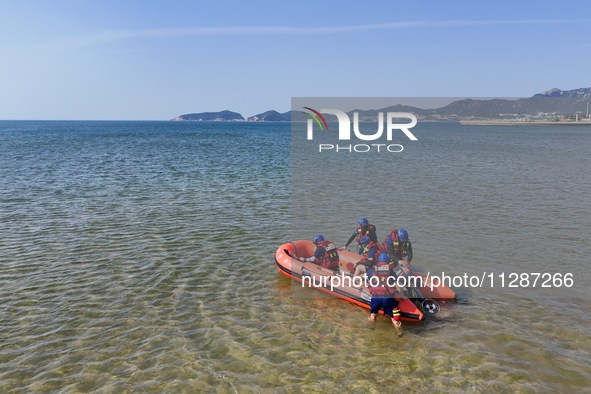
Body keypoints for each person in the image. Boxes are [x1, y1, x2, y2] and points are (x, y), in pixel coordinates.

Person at [366, 252, 403, 336]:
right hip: (387, 298)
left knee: (373, 314)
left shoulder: (372, 270)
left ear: (378, 261)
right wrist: (402, 296)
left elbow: (363, 277)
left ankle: (370, 329)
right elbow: (398, 287)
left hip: (376, 297)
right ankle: (398, 331)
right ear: (388, 261)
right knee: (394, 318)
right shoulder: (391, 272)